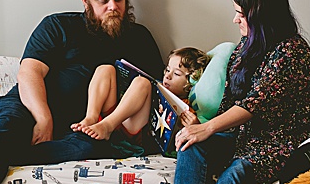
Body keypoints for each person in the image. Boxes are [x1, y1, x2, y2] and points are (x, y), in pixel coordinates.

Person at [0, 0, 163, 184]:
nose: (113, 7)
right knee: (4, 127)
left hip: (83, 125)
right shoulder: (58, 25)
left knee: (90, 149)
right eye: (103, 1)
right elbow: (29, 73)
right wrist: (43, 118)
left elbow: (153, 89)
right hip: (30, 106)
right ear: (85, 1)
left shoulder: (139, 38)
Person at [148, 0, 310, 184]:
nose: (235, 20)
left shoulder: (292, 53)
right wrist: (200, 128)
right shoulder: (246, 47)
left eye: (240, 14)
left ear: (260, 16)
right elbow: (231, 100)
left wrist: (209, 128)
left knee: (241, 169)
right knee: (191, 143)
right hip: (243, 135)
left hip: (278, 141)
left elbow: (254, 104)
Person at [70, 46, 212, 145]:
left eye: (176, 74)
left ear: (191, 82)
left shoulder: (186, 106)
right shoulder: (159, 83)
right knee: (105, 69)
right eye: (167, 70)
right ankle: (91, 117)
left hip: (134, 131)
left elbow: (191, 134)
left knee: (142, 83)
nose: (167, 76)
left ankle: (107, 127)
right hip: (117, 117)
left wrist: (194, 126)